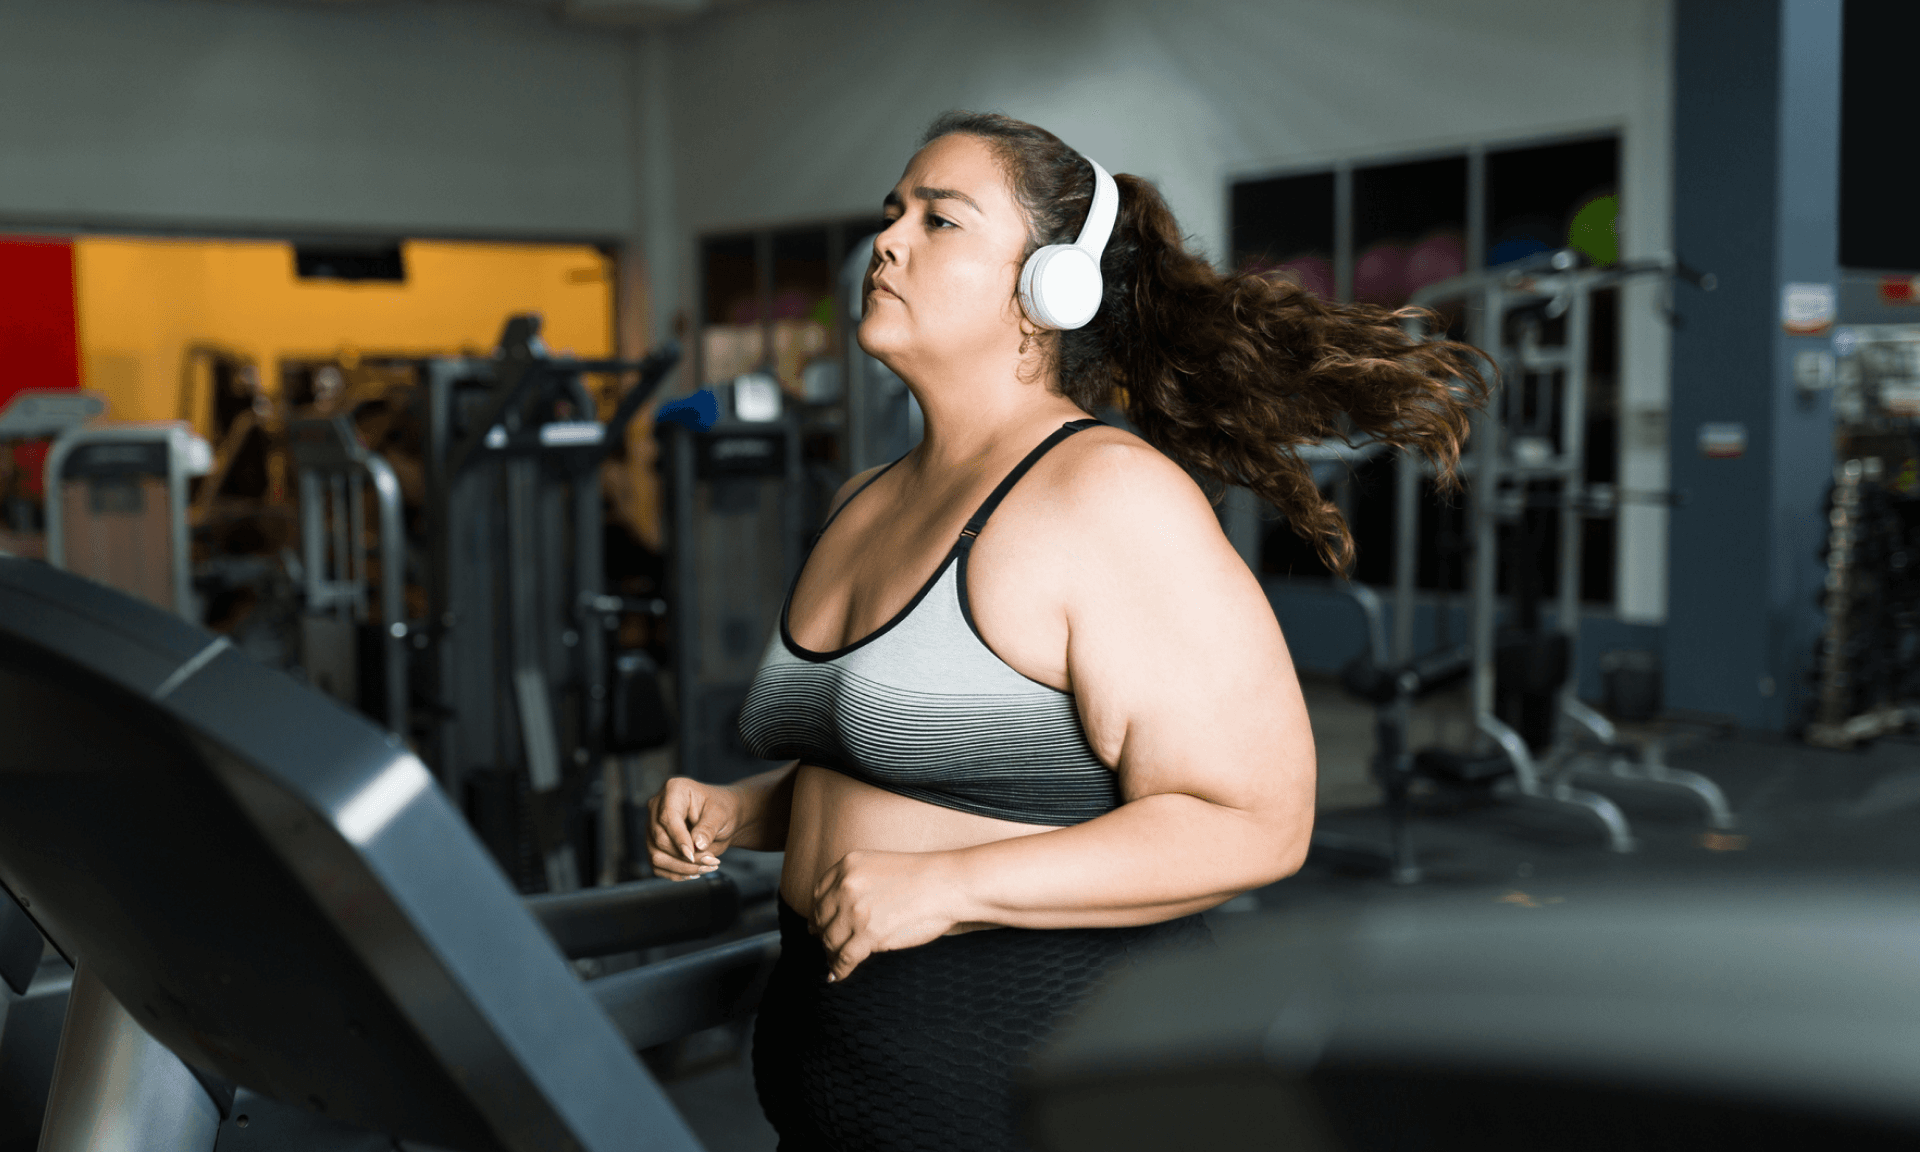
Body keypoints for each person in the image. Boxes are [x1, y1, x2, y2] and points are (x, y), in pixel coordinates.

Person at [647, 111, 1488, 1151]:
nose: (888, 242)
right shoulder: (866, 498)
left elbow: (1258, 820)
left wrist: (952, 886)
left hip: (1026, 1094)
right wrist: (742, 810)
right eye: (892, 212)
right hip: (838, 1099)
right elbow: (920, 765)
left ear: (1050, 289)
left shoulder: (1105, 496)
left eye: (940, 219)